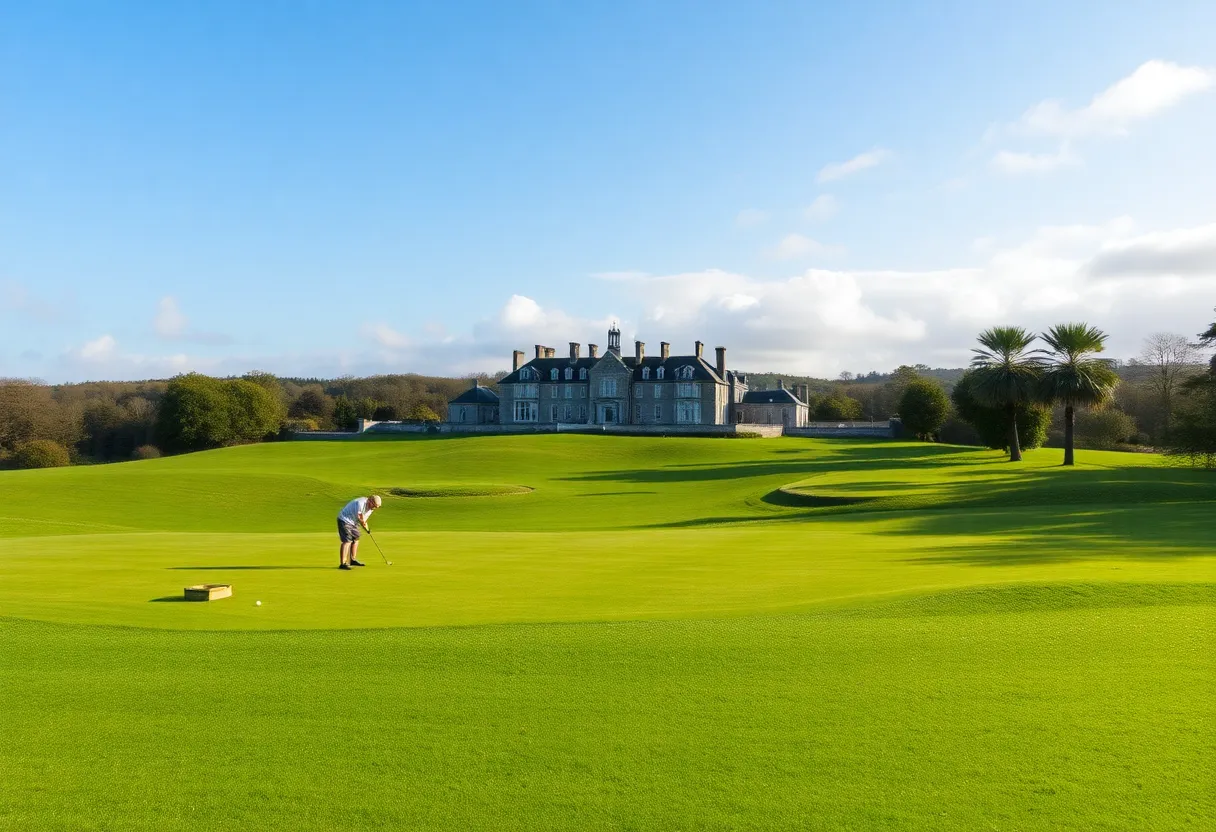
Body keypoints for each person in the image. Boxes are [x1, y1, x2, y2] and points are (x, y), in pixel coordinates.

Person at [337, 494, 381, 569]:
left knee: (356, 539)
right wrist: (365, 527)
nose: (374, 508)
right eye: (374, 506)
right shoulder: (360, 503)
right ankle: (343, 563)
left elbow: (364, 520)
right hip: (344, 519)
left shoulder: (371, 509)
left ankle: (353, 560)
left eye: (376, 507)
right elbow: (361, 519)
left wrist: (367, 529)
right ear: (370, 501)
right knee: (347, 541)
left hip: (354, 522)